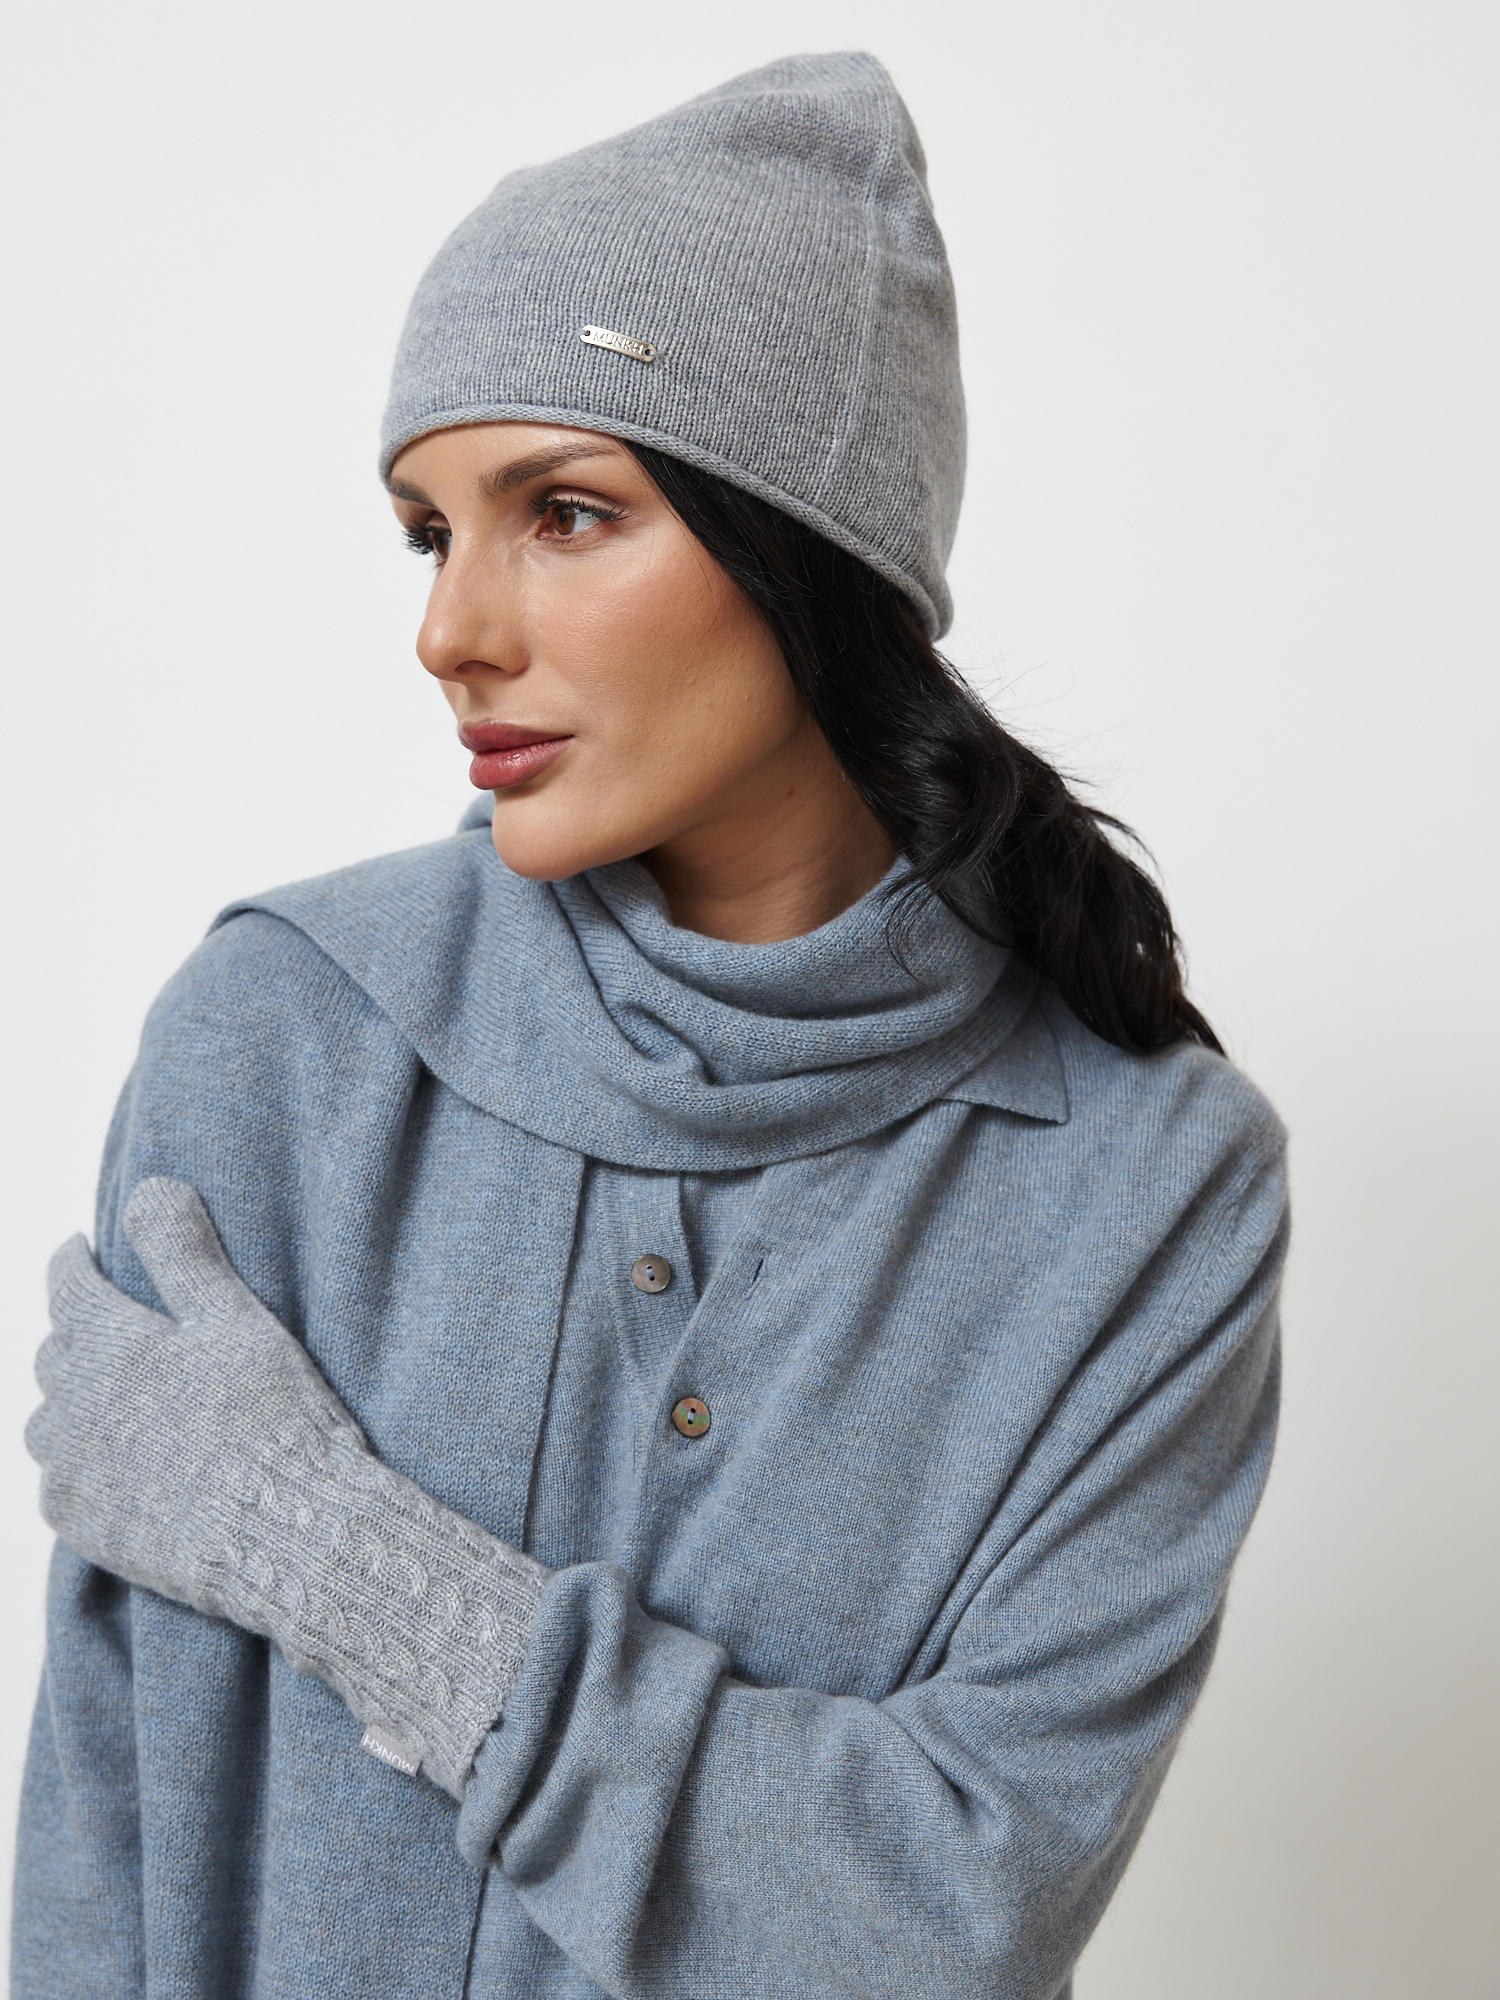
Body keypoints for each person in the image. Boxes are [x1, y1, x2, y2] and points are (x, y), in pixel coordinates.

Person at [15, 50, 1287, 2000]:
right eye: (430, 530)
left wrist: (317, 1545)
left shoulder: (1147, 1183)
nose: (452, 630)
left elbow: (953, 1924)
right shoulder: (286, 1038)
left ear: (811, 555)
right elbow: (108, 1844)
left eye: (567, 512)